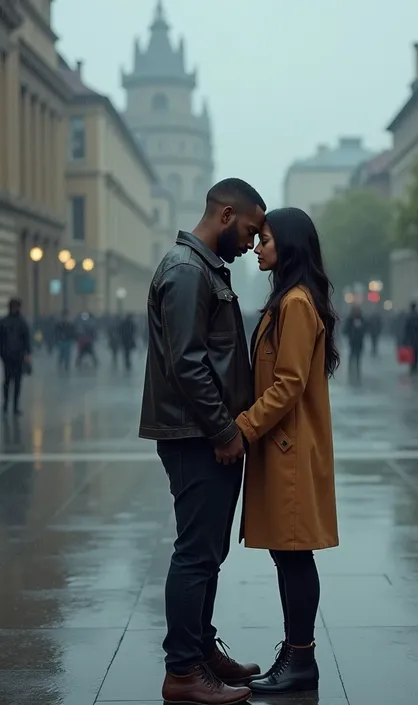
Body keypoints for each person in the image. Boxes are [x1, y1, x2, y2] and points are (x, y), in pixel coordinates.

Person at [139, 178, 267, 705]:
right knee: (195, 553)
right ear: (226, 214)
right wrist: (222, 430)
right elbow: (188, 362)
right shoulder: (188, 270)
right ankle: (184, 671)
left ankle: (200, 650)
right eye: (251, 230)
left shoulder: (203, 268)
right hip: (196, 435)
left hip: (203, 432)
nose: (252, 243)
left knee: (208, 550)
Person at [234, 208, 339, 695]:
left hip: (289, 449)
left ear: (290, 246)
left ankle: (301, 660)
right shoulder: (290, 299)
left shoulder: (296, 303)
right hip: (284, 446)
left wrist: (243, 428)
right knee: (288, 554)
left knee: (295, 555)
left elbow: (289, 383)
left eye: (267, 240)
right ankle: (296, 654)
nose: (257, 247)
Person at [0, 298, 31, 416]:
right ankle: (8, 405)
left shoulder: (18, 322)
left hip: (16, 356)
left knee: (15, 382)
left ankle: (13, 406)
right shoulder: (20, 322)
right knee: (9, 381)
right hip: (9, 356)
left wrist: (27, 354)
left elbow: (26, 340)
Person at [343, 306, 366, 381]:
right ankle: (350, 370)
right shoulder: (350, 319)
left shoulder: (362, 319)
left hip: (359, 341)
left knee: (358, 356)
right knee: (352, 355)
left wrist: (361, 330)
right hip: (352, 341)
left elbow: (366, 328)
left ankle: (357, 370)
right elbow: (345, 330)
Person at [404, 302, 418, 375]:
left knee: (411, 352)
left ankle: (412, 366)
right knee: (417, 353)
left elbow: (406, 329)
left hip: (410, 338)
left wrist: (405, 339)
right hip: (417, 337)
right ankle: (416, 366)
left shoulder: (408, 317)